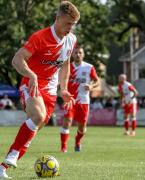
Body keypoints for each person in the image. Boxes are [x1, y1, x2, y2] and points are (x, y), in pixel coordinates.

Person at [0, 1, 80, 178]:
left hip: (50, 89)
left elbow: (65, 64)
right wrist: (32, 75)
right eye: (68, 24)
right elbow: (17, 59)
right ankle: (12, 156)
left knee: (36, 126)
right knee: (38, 116)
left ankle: (2, 168)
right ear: (57, 18)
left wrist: (64, 89)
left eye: (73, 25)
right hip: (31, 83)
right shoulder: (40, 37)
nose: (70, 28)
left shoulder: (71, 40)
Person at [60, 47, 99, 153]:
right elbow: (61, 80)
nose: (78, 54)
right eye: (76, 53)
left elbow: (97, 81)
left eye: (80, 53)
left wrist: (91, 86)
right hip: (70, 100)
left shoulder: (89, 67)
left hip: (84, 101)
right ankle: (63, 147)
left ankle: (77, 141)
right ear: (72, 55)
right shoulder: (67, 67)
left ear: (83, 55)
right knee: (67, 121)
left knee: (82, 128)